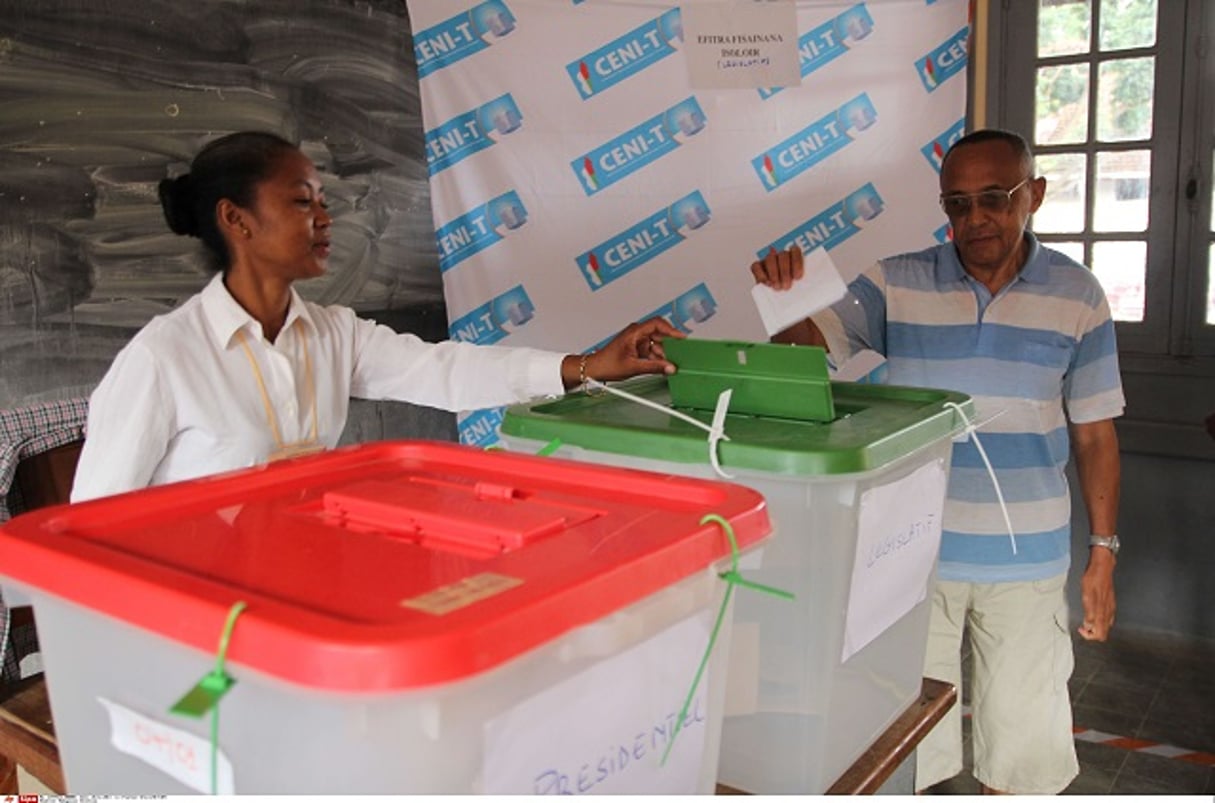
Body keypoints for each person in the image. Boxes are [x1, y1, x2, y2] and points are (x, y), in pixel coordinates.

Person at [751, 129, 1124, 795]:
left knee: (1022, 756)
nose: (974, 218)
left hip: (1027, 560)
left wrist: (1102, 551)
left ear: (1032, 195)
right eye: (956, 204)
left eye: (993, 198)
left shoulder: (1078, 294)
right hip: (910, 556)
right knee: (903, 746)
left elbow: (1095, 435)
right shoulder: (895, 281)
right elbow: (806, 359)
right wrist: (786, 301)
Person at [71, 131, 681, 501]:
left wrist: (586, 366)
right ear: (237, 220)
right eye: (302, 202)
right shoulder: (166, 356)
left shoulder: (333, 334)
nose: (325, 219)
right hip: (194, 617)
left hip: (296, 588)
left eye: (324, 202)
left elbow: (448, 371)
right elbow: (91, 523)